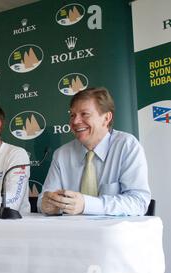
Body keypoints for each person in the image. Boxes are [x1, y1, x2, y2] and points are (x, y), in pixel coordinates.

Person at [38, 87, 151, 216]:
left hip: (113, 234)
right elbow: (43, 199)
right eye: (72, 115)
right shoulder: (61, 154)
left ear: (106, 118)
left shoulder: (127, 146)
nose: (75, 121)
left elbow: (139, 202)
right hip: (70, 234)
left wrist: (86, 205)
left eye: (84, 114)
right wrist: (47, 205)